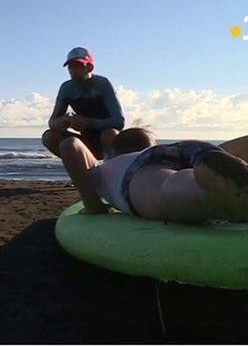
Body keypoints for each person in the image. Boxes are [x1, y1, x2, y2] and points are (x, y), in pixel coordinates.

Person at [63, 127, 248, 223]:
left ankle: (210, 196)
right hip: (188, 147)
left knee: (169, 185)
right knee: (220, 157)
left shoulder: (107, 168)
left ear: (110, 153)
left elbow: (70, 145)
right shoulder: (161, 149)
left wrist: (92, 204)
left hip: (142, 168)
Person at [42, 46, 124, 161]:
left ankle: (111, 170)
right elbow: (52, 122)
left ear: (89, 68)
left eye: (79, 66)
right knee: (49, 137)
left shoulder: (102, 84)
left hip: (106, 137)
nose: (74, 71)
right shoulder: (66, 88)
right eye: (71, 67)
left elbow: (119, 121)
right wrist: (62, 122)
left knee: (110, 134)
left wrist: (88, 123)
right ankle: (82, 171)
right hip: (86, 139)